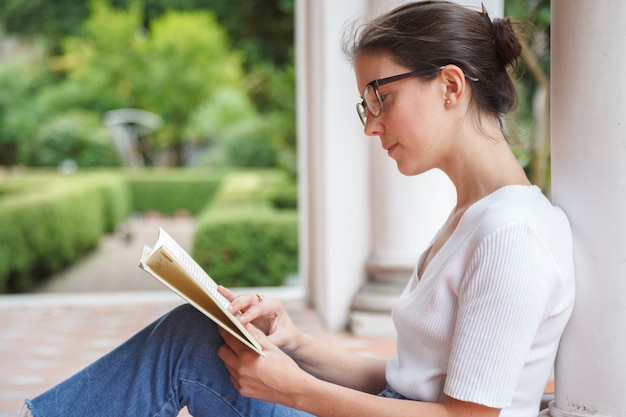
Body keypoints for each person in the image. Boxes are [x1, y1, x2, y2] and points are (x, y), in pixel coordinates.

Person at [20, 2, 575, 417]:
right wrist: (296, 344)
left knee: (189, 345)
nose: (370, 124)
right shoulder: (474, 217)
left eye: (382, 97)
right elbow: (409, 379)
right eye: (367, 104)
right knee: (200, 332)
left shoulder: (511, 236)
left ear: (451, 85)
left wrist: (295, 388)